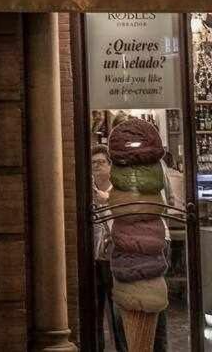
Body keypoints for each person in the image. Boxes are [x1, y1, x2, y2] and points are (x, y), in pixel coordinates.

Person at [91, 145, 127, 351]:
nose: (97, 167)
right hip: (93, 258)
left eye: (101, 162)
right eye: (93, 163)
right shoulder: (86, 191)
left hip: (115, 258)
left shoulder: (119, 191)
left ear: (110, 165)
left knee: (116, 313)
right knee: (94, 311)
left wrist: (108, 203)